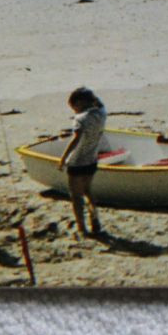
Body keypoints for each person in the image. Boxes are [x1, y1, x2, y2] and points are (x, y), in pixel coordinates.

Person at [57, 87, 107, 238]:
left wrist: (63, 158)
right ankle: (95, 220)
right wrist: (91, 97)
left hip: (77, 162)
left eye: (74, 107)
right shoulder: (101, 114)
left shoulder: (80, 119)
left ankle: (81, 228)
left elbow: (76, 139)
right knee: (88, 191)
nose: (74, 111)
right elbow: (100, 103)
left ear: (79, 103)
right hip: (92, 160)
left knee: (76, 196)